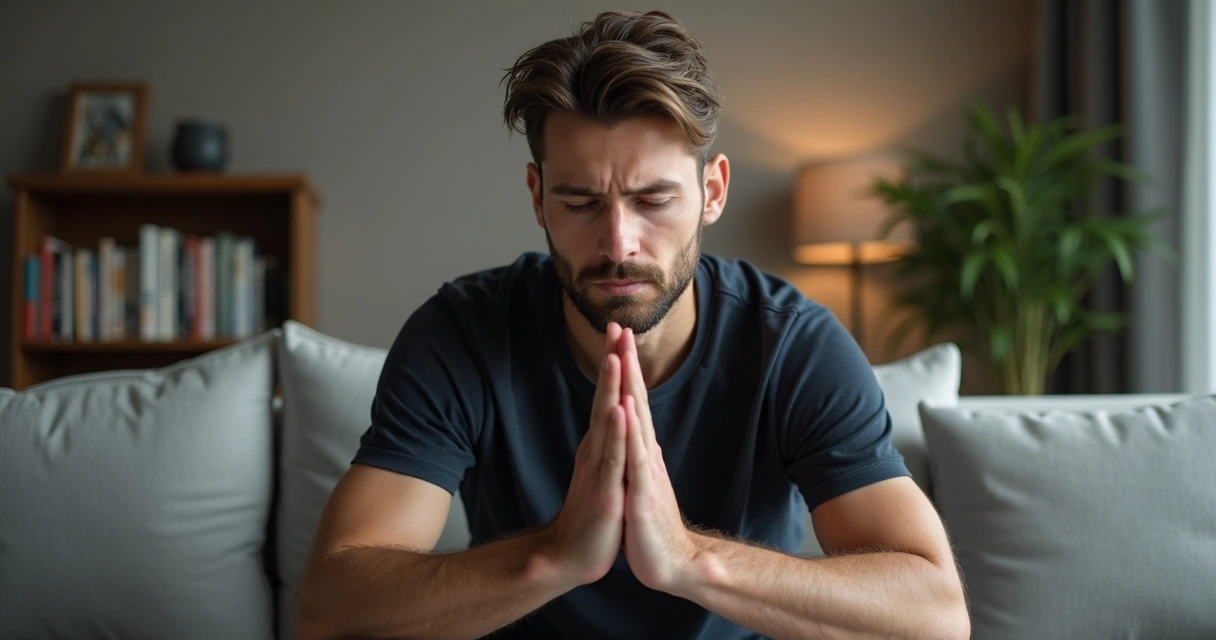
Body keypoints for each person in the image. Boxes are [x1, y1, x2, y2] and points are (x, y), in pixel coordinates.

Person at [297, 10, 969, 640]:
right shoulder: (463, 335)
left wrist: (686, 559)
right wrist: (555, 555)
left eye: (653, 200)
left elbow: (936, 615)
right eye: (581, 201)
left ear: (712, 191)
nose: (619, 242)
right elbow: (330, 606)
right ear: (537, 197)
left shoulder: (792, 343)